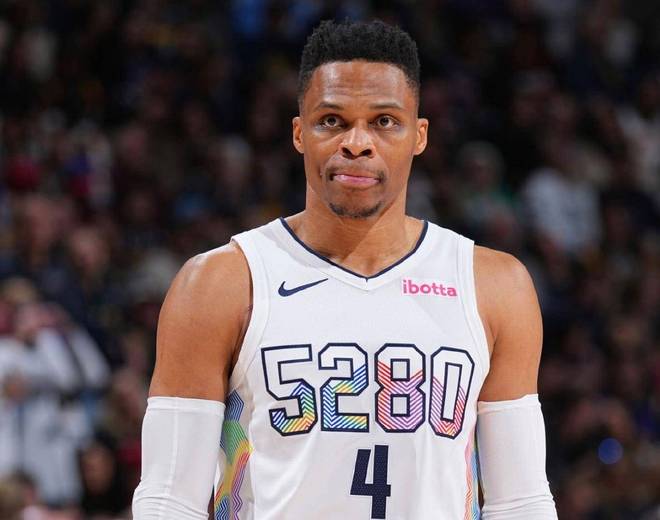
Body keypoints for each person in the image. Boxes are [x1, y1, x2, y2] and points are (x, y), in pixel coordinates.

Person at [132, 19, 557, 519]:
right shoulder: (220, 283)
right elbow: (169, 500)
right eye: (332, 120)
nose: (357, 142)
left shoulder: (493, 286)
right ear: (299, 132)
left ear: (419, 136)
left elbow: (520, 501)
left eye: (385, 121)